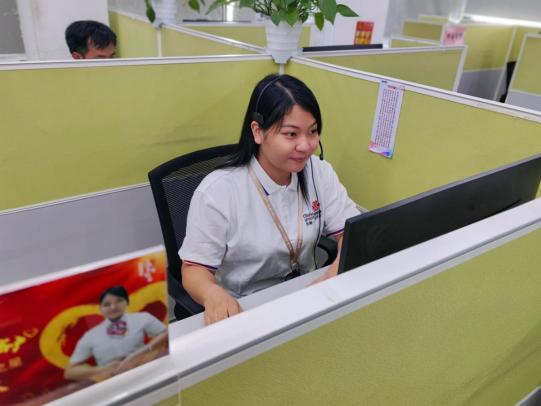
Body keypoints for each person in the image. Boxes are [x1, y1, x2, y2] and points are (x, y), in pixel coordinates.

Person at [179, 74, 360, 325]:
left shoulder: (319, 173)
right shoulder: (218, 191)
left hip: (306, 298)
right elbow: (193, 270)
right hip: (245, 307)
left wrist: (334, 273)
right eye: (291, 134)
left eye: (313, 131)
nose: (305, 145)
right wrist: (213, 295)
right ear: (258, 132)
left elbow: (354, 234)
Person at [64, 285, 167, 381]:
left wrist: (142, 352)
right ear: (100, 309)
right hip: (112, 382)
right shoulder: (91, 335)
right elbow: (70, 371)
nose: (113, 307)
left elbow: (165, 333)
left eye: (119, 301)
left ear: (127, 302)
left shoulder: (142, 317)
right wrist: (101, 370)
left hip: (147, 373)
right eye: (107, 304)